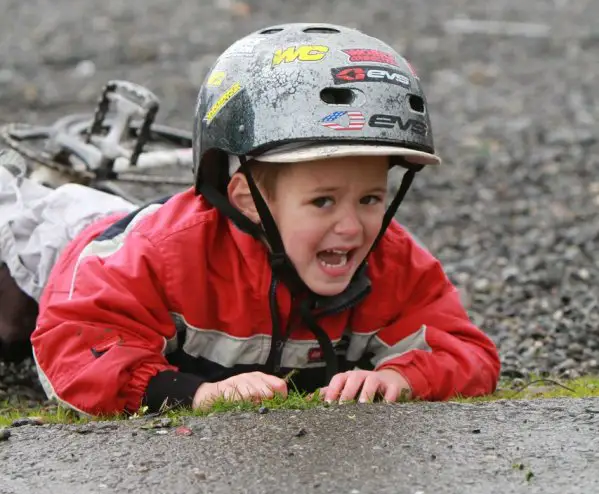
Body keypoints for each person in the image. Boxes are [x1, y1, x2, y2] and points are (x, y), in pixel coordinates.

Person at [31, 23, 500, 416]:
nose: (352, 227)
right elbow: (73, 343)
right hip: (67, 250)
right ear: (249, 200)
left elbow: (468, 351)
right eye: (323, 202)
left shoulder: (391, 260)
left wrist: (404, 376)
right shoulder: (164, 253)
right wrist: (191, 393)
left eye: (371, 199)